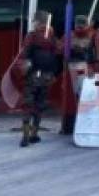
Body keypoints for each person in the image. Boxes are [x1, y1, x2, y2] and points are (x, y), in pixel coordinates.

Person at [17, 11, 61, 147]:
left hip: (33, 75)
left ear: (38, 21)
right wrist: (54, 75)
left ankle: (25, 136)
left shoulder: (32, 36)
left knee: (28, 105)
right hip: (47, 76)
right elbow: (58, 54)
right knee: (39, 105)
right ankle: (34, 134)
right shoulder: (52, 37)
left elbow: (24, 54)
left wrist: (22, 71)